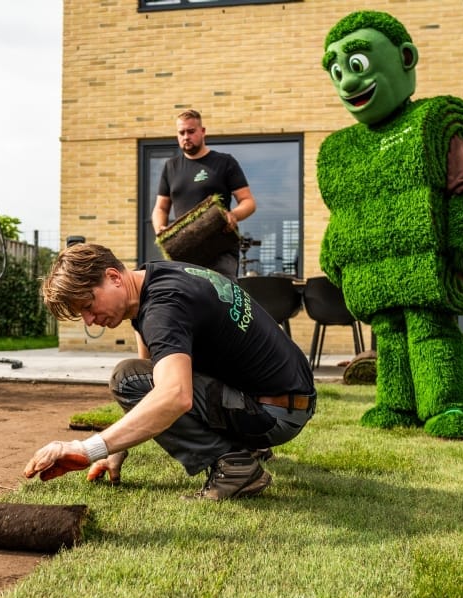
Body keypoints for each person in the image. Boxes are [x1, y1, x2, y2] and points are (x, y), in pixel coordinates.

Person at [317, 11, 463, 439]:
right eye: (337, 71)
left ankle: (447, 403)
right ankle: (396, 402)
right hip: (379, 269)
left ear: (406, 57)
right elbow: (345, 206)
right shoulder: (343, 148)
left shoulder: (434, 121)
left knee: (429, 327)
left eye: (356, 65)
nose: (346, 82)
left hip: (426, 262)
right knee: (390, 334)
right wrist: (335, 248)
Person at [23, 243, 315, 500]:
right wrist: (116, 449)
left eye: (88, 305)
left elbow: (172, 396)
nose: (89, 320)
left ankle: (234, 465)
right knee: (142, 376)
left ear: (113, 277)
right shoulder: (154, 278)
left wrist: (88, 449)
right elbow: (149, 386)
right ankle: (247, 446)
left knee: (126, 378)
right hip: (285, 400)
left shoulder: (163, 309)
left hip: (271, 414)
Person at [152, 109, 256, 281]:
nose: (186, 136)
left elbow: (248, 202)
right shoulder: (171, 167)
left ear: (202, 131)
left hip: (221, 251)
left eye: (191, 131)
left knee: (222, 300)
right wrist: (160, 229)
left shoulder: (224, 162)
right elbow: (161, 208)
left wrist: (233, 215)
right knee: (190, 303)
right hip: (185, 252)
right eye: (181, 133)